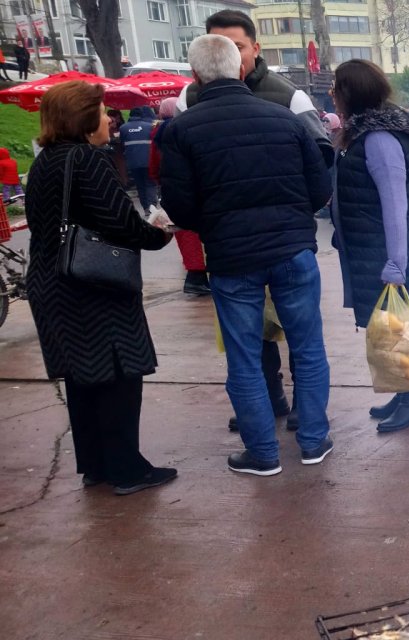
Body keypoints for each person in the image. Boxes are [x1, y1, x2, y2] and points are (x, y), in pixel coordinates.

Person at [159, 34, 334, 476]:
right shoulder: (284, 119)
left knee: (244, 355)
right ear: (241, 68)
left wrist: (216, 222)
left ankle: (263, 453)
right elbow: (320, 188)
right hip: (293, 249)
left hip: (232, 257)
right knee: (308, 347)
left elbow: (179, 205)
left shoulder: (181, 129)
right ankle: (313, 441)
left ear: (195, 76)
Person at [23, 81, 175, 495]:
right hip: (92, 285)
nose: (110, 119)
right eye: (103, 112)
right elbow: (119, 222)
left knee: (83, 378)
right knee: (118, 375)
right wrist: (159, 234)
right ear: (84, 119)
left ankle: (96, 466)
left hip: (51, 281)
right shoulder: (88, 160)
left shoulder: (45, 161)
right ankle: (127, 469)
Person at [329, 59, 409, 434]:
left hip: (392, 252)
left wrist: (396, 263)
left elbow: (395, 203)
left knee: (403, 329)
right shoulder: (362, 133)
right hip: (372, 248)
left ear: (351, 93)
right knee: (389, 327)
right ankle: (403, 394)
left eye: (336, 88)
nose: (332, 95)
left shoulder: (379, 138)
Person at [176, 10, 332, 166]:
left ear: (255, 49)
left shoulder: (290, 96)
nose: (228, 55)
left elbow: (320, 156)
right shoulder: (188, 97)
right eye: (219, 48)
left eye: (237, 47)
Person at [147, 97, 211, 296]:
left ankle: (196, 276)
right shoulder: (184, 128)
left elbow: (154, 167)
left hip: (170, 188)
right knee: (193, 235)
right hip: (190, 188)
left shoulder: (157, 132)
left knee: (184, 235)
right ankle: (197, 278)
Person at [119, 106, 157, 212]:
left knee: (140, 184)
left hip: (132, 162)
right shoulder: (150, 126)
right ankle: (151, 207)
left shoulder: (123, 128)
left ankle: (145, 207)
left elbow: (122, 144)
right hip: (148, 160)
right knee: (150, 183)